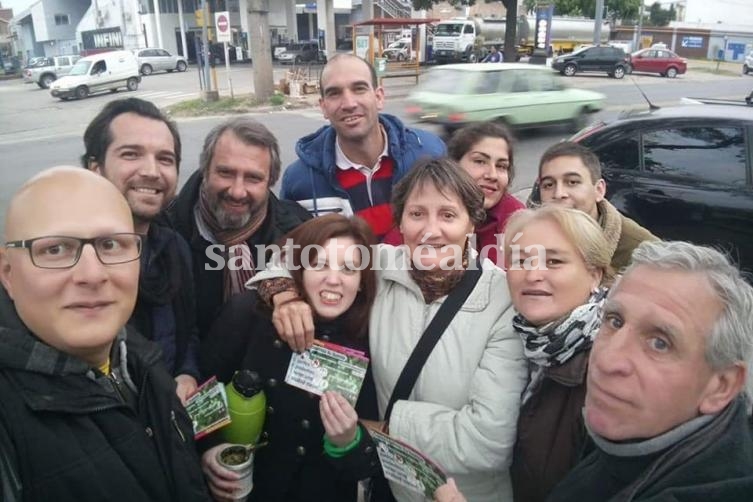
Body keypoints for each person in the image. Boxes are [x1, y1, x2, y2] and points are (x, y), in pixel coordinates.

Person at [254, 157, 528, 502]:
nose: (431, 230)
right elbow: (287, 255)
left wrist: (376, 429)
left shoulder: (502, 300)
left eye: (447, 215)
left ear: (472, 223)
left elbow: (489, 443)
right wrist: (284, 296)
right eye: (417, 214)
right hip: (386, 489)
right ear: (400, 222)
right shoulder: (381, 264)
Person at [0, 167, 210, 501]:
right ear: (8, 272)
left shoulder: (140, 360)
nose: (92, 274)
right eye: (55, 249)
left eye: (111, 244)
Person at [548, 240, 753, 501]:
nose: (607, 361)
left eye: (660, 343)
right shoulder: (635, 432)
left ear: (721, 385)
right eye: (615, 321)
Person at [199, 214, 381, 502]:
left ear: (361, 282)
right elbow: (199, 392)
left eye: (348, 269)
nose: (333, 280)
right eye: (319, 264)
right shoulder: (248, 316)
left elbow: (369, 464)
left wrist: (348, 442)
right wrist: (208, 449)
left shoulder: (371, 340)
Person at [83, 97, 200, 403]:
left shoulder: (174, 248)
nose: (151, 171)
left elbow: (189, 331)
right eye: (131, 154)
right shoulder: (68, 264)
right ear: (95, 169)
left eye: (165, 159)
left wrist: (187, 373)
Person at [166, 117, 311, 340]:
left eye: (253, 178)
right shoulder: (164, 234)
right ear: (205, 170)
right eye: (226, 173)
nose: (237, 191)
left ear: (270, 181)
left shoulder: (300, 232)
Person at [503, 206, 612, 502]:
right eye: (521, 260)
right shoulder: (513, 340)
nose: (533, 275)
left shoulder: (610, 372)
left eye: (553, 261)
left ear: (594, 275)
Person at [280, 54, 446, 240]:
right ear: (324, 107)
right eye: (334, 93)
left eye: (359, 89)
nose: (349, 104)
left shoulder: (430, 153)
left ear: (379, 97)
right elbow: (294, 255)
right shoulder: (298, 181)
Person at [384, 121, 524, 266]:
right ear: (454, 164)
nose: (492, 175)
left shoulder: (517, 220)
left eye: (501, 166)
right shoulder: (422, 209)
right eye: (480, 161)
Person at [533, 141, 657, 272]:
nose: (558, 194)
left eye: (572, 182)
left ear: (599, 190)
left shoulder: (641, 251)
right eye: (548, 185)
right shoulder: (530, 240)